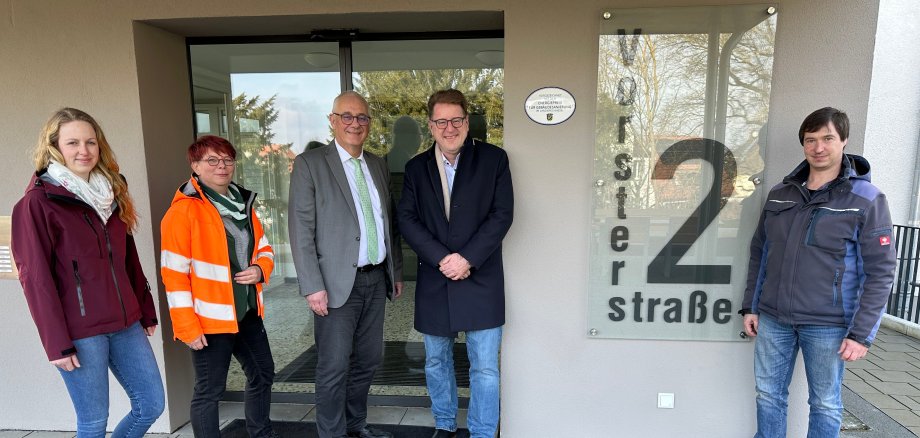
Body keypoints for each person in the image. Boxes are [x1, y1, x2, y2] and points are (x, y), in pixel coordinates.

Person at [741, 107, 897, 437]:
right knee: (768, 396)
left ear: (844, 140)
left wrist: (861, 334)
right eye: (810, 140)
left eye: (827, 138)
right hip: (774, 318)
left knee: (825, 403)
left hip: (829, 323)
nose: (818, 147)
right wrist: (751, 306)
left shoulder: (866, 199)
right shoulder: (780, 195)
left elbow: (881, 271)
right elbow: (760, 252)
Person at [11, 107, 165, 437]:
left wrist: (145, 309)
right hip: (81, 332)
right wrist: (56, 343)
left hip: (126, 323)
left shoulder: (112, 192)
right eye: (73, 143)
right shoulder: (38, 203)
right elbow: (36, 280)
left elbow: (128, 258)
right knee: (94, 422)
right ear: (54, 147)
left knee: (151, 404)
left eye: (90, 142)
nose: (84, 150)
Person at [397, 89, 514, 438]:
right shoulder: (415, 168)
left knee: (485, 368)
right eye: (441, 121)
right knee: (436, 361)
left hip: (481, 278)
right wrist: (442, 258)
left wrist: (467, 259)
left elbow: (502, 214)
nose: (450, 128)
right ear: (430, 125)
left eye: (456, 120)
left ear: (467, 121)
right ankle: (445, 425)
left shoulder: (494, 159)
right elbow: (407, 219)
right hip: (436, 278)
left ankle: (482, 432)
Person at [288, 91, 403, 438]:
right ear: (333, 121)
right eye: (347, 116)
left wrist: (395, 271)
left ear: (369, 123)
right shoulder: (311, 164)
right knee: (334, 367)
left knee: (368, 361)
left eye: (362, 117)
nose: (355, 123)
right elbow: (301, 229)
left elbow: (389, 223)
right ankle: (332, 433)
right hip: (334, 284)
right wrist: (312, 286)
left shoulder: (378, 165)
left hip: (375, 280)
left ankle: (355, 425)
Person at [160, 135, 277, 438]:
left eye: (227, 159)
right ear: (195, 166)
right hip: (209, 319)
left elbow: (264, 248)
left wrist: (260, 269)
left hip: (246, 311)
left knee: (262, 373)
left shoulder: (243, 204)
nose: (221, 166)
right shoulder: (183, 211)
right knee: (210, 391)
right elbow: (174, 275)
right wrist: (187, 326)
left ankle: (261, 434)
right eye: (212, 160)